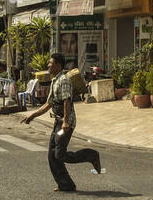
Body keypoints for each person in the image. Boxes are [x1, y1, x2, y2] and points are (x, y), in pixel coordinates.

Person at [22, 52, 102, 192]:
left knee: (60, 154)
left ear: (58, 66)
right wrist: (32, 116)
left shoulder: (64, 80)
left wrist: (65, 122)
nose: (48, 65)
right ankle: (66, 184)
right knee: (52, 155)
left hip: (66, 123)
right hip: (58, 123)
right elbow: (48, 104)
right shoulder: (55, 80)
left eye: (50, 63)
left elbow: (67, 101)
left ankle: (91, 155)